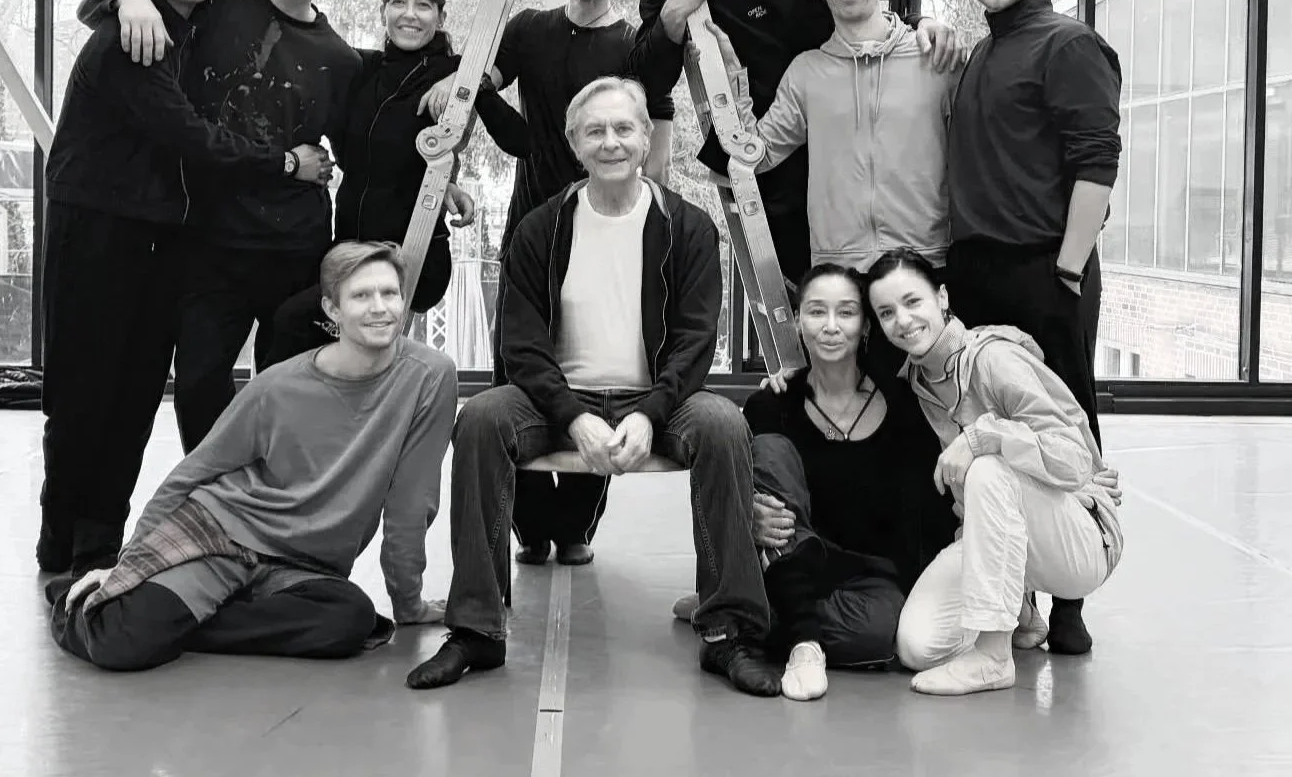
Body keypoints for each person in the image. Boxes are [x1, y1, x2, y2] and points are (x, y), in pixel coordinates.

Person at [406, 77, 781, 697]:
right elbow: (520, 345)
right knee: (481, 419)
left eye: (624, 129)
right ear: (574, 144)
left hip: (658, 397)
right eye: (596, 131)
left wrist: (653, 414)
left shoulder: (686, 227)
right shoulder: (540, 228)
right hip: (557, 401)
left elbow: (694, 340)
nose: (612, 142)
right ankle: (476, 629)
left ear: (645, 138)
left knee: (722, 424)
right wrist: (573, 416)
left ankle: (731, 632)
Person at [37, 0, 330, 576]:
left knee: (138, 390)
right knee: (85, 389)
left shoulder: (189, 27)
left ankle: (98, 542)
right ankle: (60, 541)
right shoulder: (130, 37)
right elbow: (192, 136)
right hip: (100, 232)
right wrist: (286, 164)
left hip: (163, 241)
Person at [47, 241, 457, 672]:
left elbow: (412, 504)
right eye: (361, 296)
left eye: (389, 293)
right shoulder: (277, 388)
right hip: (225, 537)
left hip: (302, 566)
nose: (380, 308)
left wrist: (408, 603)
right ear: (332, 310)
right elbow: (192, 474)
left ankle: (178, 624)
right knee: (122, 645)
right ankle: (76, 598)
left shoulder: (429, 377)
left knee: (350, 619)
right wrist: (127, 565)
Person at [416, 0, 675, 568]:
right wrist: (456, 79)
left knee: (602, 371)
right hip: (534, 227)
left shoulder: (633, 46)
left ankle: (577, 523)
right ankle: (530, 525)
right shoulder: (530, 28)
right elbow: (484, 85)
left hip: (610, 233)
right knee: (521, 370)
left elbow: (659, 137)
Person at [77, 0, 362, 455]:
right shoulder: (218, 5)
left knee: (286, 387)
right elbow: (105, 8)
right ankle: (213, 505)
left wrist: (438, 180)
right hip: (209, 242)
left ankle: (275, 512)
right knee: (200, 383)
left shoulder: (340, 61)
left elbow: (365, 155)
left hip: (293, 248)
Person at [626, 0, 960, 288]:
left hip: (840, 149)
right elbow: (648, 81)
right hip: (762, 158)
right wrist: (673, 11)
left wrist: (921, 23)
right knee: (812, 307)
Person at [946, 0, 1123, 655]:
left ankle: (1073, 601)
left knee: (1064, 426)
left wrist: (1067, 267)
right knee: (996, 432)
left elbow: (1097, 160)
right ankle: (1015, 588)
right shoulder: (984, 53)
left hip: (1046, 266)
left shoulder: (1069, 43)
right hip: (978, 270)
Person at [706, 0, 957, 381]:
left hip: (923, 266)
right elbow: (755, 157)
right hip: (838, 276)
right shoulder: (806, 72)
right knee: (845, 419)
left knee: (923, 420)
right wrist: (730, 74)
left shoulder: (936, 60)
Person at [864, 249, 1124, 697]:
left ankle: (992, 657)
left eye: (913, 302)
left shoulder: (994, 359)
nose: (903, 321)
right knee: (917, 646)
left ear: (942, 297)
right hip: (1000, 539)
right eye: (886, 312)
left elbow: (1076, 457)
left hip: (1080, 539)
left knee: (987, 467)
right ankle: (1017, 610)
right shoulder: (916, 383)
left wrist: (986, 437)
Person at [266, 0, 529, 363]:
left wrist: (469, 80)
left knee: (290, 323)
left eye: (423, 5)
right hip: (349, 251)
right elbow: (298, 45)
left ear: (440, 17)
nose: (410, 14)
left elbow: (521, 141)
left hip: (412, 255)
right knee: (294, 334)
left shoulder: (454, 72)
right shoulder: (361, 68)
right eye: (398, 2)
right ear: (383, 11)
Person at [744, 262, 956, 701]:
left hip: (863, 576)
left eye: (846, 313)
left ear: (865, 327)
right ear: (798, 322)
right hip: (790, 556)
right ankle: (803, 644)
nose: (831, 327)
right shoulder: (772, 403)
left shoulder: (904, 406)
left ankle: (754, 618)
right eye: (817, 312)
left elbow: (922, 514)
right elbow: (750, 493)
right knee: (771, 450)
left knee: (881, 633)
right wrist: (748, 509)